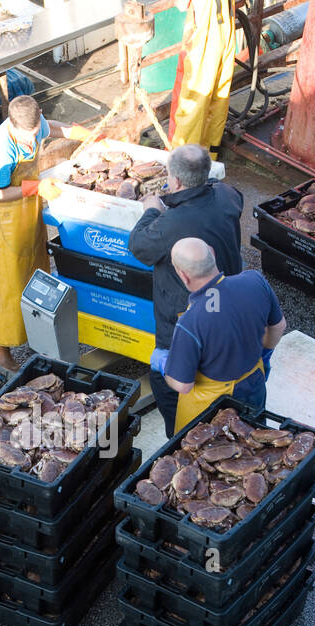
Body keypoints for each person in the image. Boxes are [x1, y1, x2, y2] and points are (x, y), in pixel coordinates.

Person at [127, 143, 244, 436]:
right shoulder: (229, 196)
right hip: (228, 302)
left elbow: (139, 246)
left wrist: (151, 211)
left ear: (174, 180)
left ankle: (180, 438)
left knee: (168, 382)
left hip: (184, 314)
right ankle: (228, 420)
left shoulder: (171, 223)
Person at [0, 94, 90, 372]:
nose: (31, 142)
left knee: (35, 276)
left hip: (26, 215)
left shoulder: (37, 125)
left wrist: (90, 135)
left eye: (35, 135)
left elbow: (56, 127)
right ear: (12, 124)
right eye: (26, 137)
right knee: (6, 287)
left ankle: (35, 334)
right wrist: (35, 188)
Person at [154, 238, 287, 432]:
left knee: (206, 454)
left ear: (183, 276)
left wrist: (164, 364)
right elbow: (279, 326)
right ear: (213, 254)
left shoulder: (189, 323)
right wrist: (264, 355)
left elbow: (183, 385)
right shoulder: (254, 280)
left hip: (212, 408)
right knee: (254, 444)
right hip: (254, 384)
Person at [169, 0, 236, 157]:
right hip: (225, 21)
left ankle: (183, 162)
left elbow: (181, 4)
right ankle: (208, 159)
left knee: (194, 98)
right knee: (219, 96)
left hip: (205, 32)